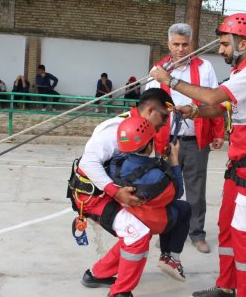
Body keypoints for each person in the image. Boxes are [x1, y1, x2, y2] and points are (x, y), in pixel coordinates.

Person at [150, 13, 246, 297]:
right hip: (239, 165)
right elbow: (220, 107)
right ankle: (226, 286)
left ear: (243, 43)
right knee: (226, 227)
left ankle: (242, 293)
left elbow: (212, 96)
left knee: (244, 233)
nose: (220, 49)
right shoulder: (239, 72)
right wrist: (194, 111)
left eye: (224, 44)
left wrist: (169, 81)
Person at [68, 88, 174, 297]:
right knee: (138, 233)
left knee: (139, 228)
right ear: (151, 111)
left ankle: (97, 274)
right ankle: (120, 292)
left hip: (107, 192)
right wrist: (115, 192)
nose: (165, 123)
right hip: (92, 197)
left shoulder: (140, 129)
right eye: (164, 116)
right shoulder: (116, 130)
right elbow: (89, 162)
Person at [146, 23, 225, 254]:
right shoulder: (157, 70)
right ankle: (166, 230)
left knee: (196, 189)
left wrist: (218, 132)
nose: (180, 49)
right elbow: (149, 105)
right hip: (166, 140)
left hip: (195, 140)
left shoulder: (204, 67)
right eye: (176, 44)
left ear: (192, 44)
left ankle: (197, 233)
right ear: (169, 43)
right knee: (166, 189)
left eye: (185, 44)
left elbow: (215, 101)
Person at [109, 116, 191, 282]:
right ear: (149, 144)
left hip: (127, 213)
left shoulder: (117, 164)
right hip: (150, 218)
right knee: (184, 208)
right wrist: (174, 162)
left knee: (174, 208)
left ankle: (166, 254)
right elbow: (177, 192)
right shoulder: (156, 175)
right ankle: (172, 258)